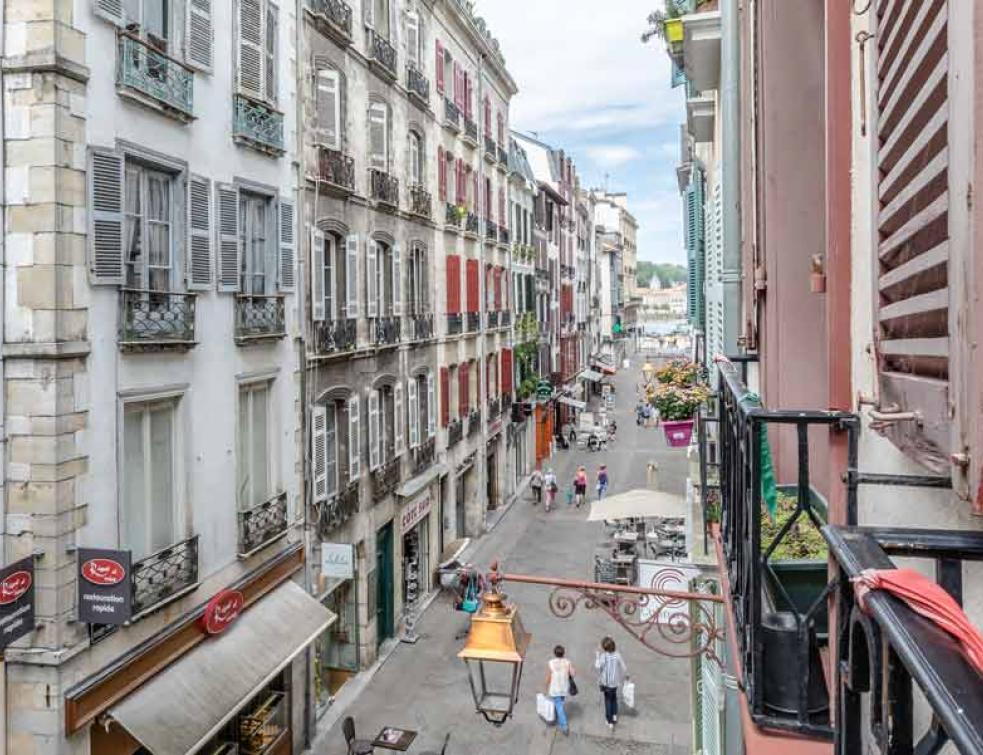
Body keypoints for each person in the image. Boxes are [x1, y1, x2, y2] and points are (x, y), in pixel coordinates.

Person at [595, 637, 628, 731]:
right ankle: (614, 716)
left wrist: (597, 656)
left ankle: (609, 721)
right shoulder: (617, 655)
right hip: (615, 683)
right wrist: (626, 675)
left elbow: (597, 666)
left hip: (606, 683)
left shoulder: (603, 656)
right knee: (614, 699)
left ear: (604, 648)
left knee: (608, 701)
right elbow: (624, 666)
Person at [545, 645, 575, 735]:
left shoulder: (551, 663)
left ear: (555, 653)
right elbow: (573, 674)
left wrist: (546, 685)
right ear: (563, 653)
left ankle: (564, 725)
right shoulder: (567, 662)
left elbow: (549, 676)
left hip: (555, 687)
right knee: (559, 703)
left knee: (559, 706)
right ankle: (557, 717)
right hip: (564, 687)